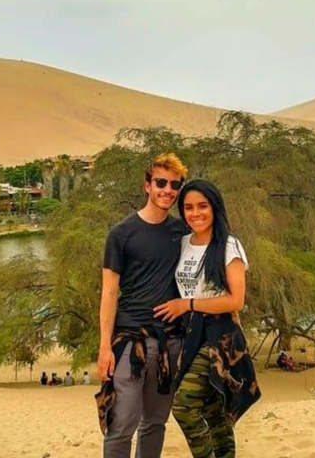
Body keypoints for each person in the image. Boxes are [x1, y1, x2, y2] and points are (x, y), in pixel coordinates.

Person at [154, 179, 261, 458]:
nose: (195, 213)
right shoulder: (184, 243)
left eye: (202, 206)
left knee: (184, 406)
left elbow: (236, 300)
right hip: (192, 332)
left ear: (215, 207)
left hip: (221, 333)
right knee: (213, 410)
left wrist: (186, 304)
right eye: (188, 207)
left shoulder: (228, 246)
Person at [95, 153, 188, 458]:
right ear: (147, 185)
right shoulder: (121, 233)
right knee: (121, 424)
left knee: (155, 423)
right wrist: (104, 348)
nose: (168, 190)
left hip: (169, 343)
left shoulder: (181, 233)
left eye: (175, 184)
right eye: (161, 182)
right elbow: (109, 294)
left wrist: (185, 305)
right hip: (129, 343)